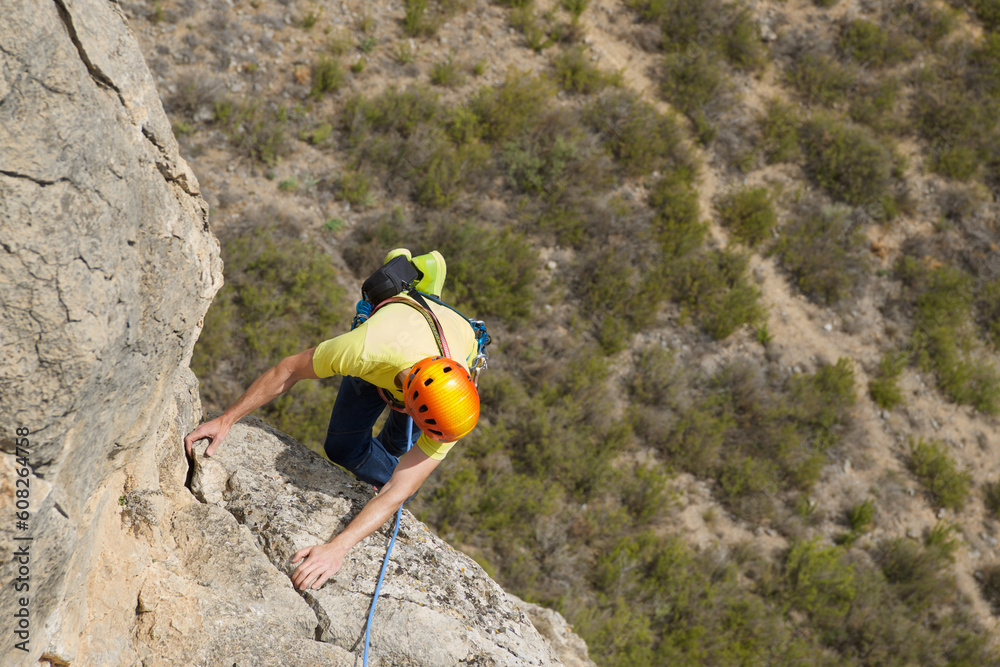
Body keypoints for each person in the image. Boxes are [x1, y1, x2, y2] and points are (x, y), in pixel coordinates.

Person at [183, 249, 481, 591]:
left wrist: (337, 548)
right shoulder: (366, 349)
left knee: (396, 463)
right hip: (391, 350)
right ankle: (410, 292)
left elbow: (399, 490)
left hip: (448, 339)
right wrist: (227, 419)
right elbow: (290, 369)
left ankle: (428, 290)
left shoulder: (453, 407)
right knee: (342, 448)